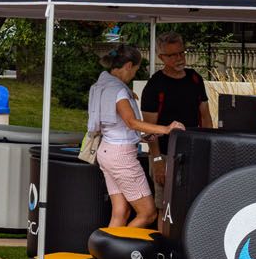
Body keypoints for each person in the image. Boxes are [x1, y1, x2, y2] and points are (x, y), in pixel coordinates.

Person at [89, 43, 183, 229]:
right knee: (148, 213)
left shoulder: (101, 85)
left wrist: (141, 137)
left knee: (121, 212)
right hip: (121, 156)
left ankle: (106, 254)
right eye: (136, 70)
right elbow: (131, 122)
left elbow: (113, 125)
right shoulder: (119, 91)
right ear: (129, 65)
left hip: (106, 151)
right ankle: (115, 250)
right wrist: (165, 129)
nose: (134, 75)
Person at [139, 32, 213, 202]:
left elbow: (206, 116)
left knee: (193, 202)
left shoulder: (195, 78)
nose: (179, 58)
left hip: (194, 152)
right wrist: (157, 161)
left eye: (181, 53)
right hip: (165, 154)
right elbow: (149, 128)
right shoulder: (154, 86)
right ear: (161, 57)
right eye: (172, 55)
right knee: (165, 205)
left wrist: (208, 147)